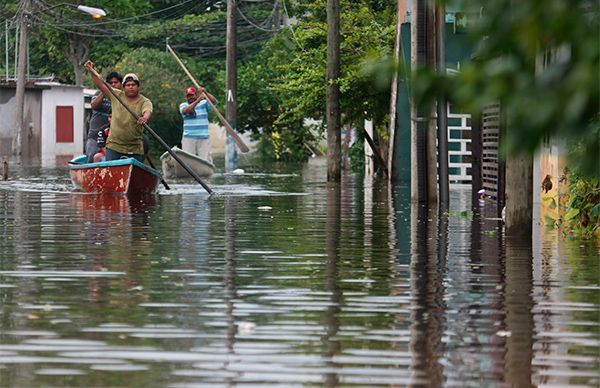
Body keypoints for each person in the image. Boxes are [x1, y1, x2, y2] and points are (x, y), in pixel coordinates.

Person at [84, 60, 153, 163]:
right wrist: (92, 71)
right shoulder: (116, 95)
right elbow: (100, 84)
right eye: (128, 85)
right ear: (124, 87)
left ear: (138, 87)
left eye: (133, 84)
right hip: (114, 146)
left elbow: (147, 110)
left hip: (134, 147)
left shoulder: (144, 101)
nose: (131, 87)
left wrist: (145, 118)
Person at [85, 72, 122, 163]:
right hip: (95, 134)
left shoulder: (122, 98)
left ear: (121, 84)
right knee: (91, 155)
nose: (113, 85)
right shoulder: (99, 93)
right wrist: (104, 91)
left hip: (114, 137)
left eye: (115, 82)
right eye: (110, 83)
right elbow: (94, 105)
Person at [179, 86, 217, 162]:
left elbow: (214, 102)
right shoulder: (183, 105)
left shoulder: (204, 104)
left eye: (192, 95)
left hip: (203, 137)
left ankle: (204, 171)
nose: (191, 97)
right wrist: (198, 100)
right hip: (189, 137)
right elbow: (186, 110)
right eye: (189, 96)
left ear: (196, 95)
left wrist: (205, 93)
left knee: (205, 160)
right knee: (188, 160)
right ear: (186, 97)